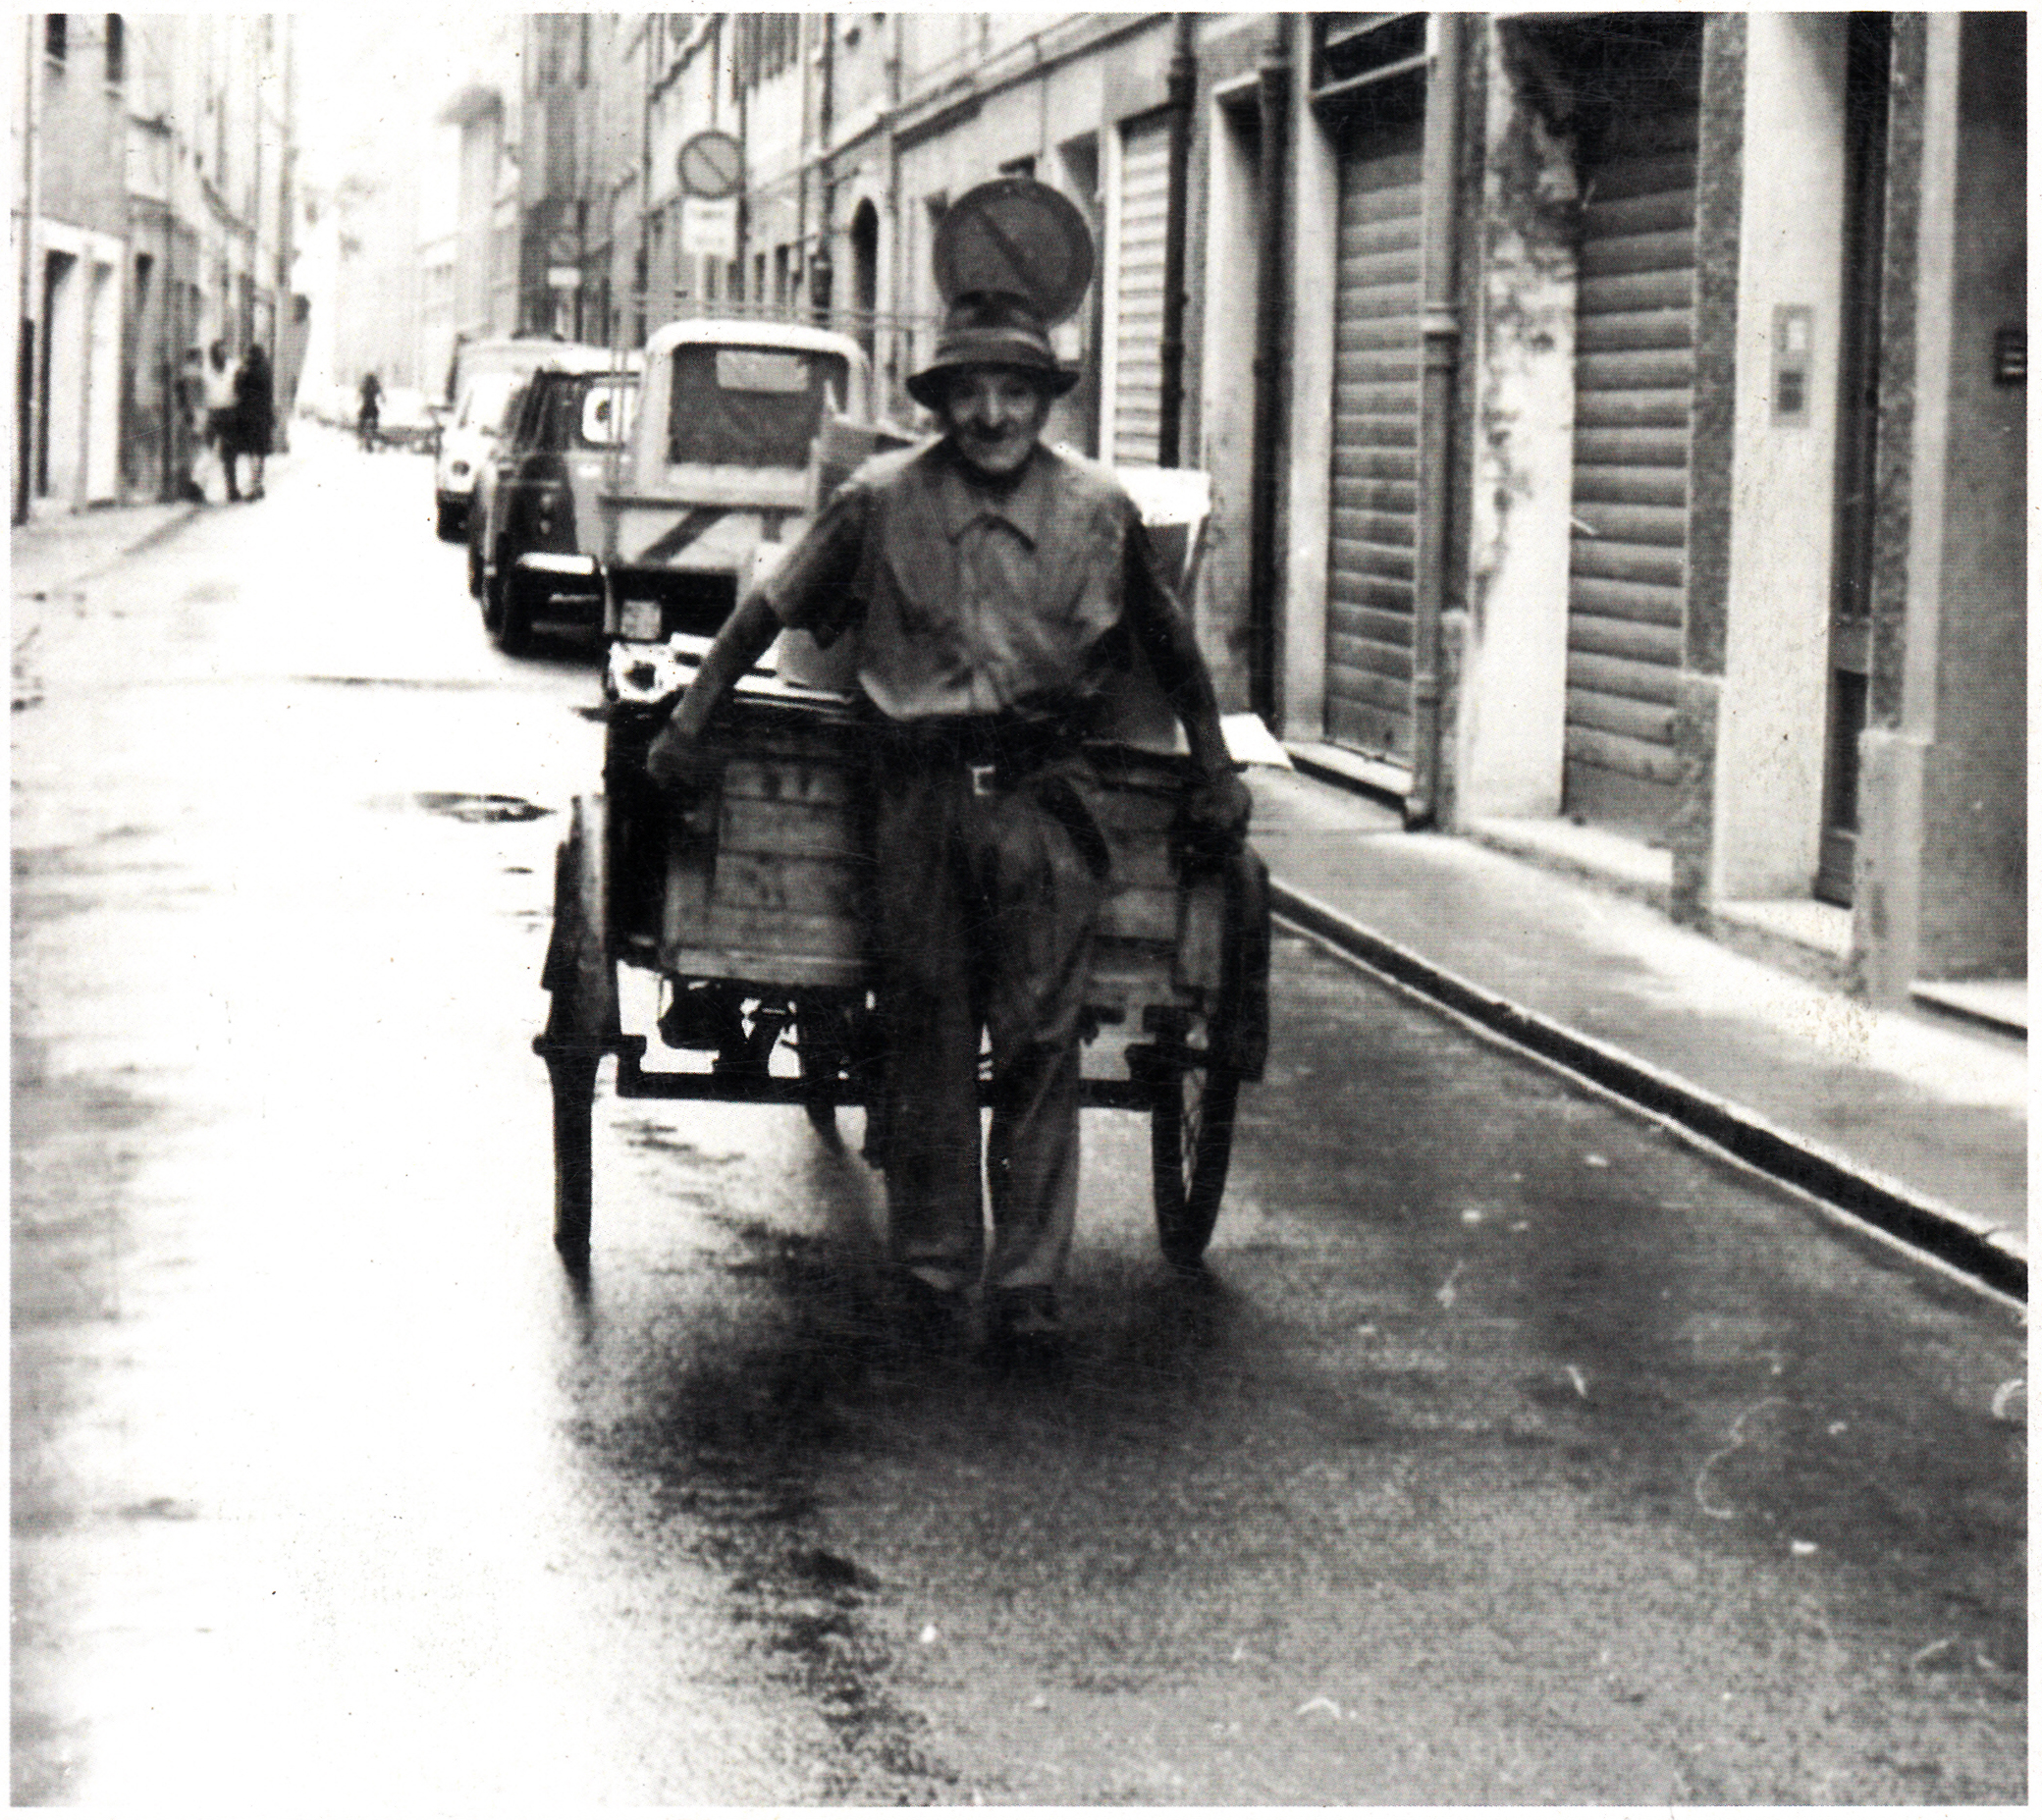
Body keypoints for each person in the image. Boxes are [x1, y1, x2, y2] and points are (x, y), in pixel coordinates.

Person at [645, 289, 1251, 1358]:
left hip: (1045, 805)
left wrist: (1213, 768)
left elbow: (1171, 649)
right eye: (971, 391)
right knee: (926, 1033)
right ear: (940, 402)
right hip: (917, 800)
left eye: (1014, 391)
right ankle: (933, 1271)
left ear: (1045, 402)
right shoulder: (879, 501)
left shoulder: (1098, 510)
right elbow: (767, 611)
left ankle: (1027, 1287)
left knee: (1040, 1045)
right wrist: (691, 723)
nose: (991, 414)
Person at [234, 344, 275, 501]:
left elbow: (239, 390)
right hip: (264, 416)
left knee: (253, 452)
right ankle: (258, 484)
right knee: (260, 452)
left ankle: (255, 487)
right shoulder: (266, 369)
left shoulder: (248, 370)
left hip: (250, 417)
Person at [203, 341, 242, 501]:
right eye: (218, 352)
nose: (222, 355)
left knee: (230, 455)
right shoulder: (206, 370)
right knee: (207, 452)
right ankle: (199, 488)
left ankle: (232, 489)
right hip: (212, 413)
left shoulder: (234, 367)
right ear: (213, 355)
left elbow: (241, 387)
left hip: (230, 413)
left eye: (223, 352)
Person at [176, 348, 209, 503]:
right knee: (202, 451)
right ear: (196, 358)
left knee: (192, 451)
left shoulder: (184, 374)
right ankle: (195, 486)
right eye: (200, 357)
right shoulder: (195, 375)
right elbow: (196, 398)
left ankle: (192, 485)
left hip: (189, 415)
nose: (202, 360)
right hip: (197, 414)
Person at [356, 371, 383, 451]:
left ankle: (360, 434)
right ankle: (374, 432)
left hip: (365, 407)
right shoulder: (375, 386)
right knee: (375, 420)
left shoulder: (364, 386)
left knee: (361, 421)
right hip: (373, 407)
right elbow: (381, 394)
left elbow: (358, 395)